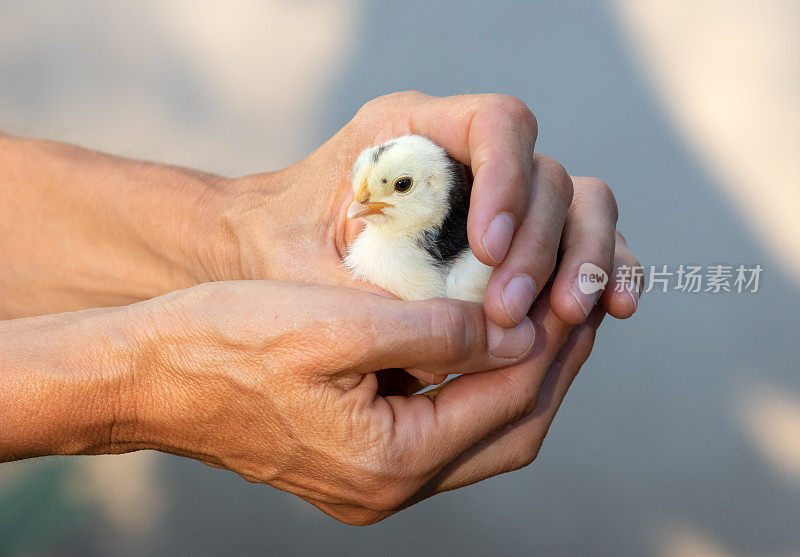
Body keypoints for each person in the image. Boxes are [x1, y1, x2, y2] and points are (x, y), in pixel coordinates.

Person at [0, 92, 641, 525]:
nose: (356, 208)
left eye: (391, 188)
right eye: (366, 192)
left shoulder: (438, 257)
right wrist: (144, 381)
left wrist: (231, 234)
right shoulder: (390, 254)